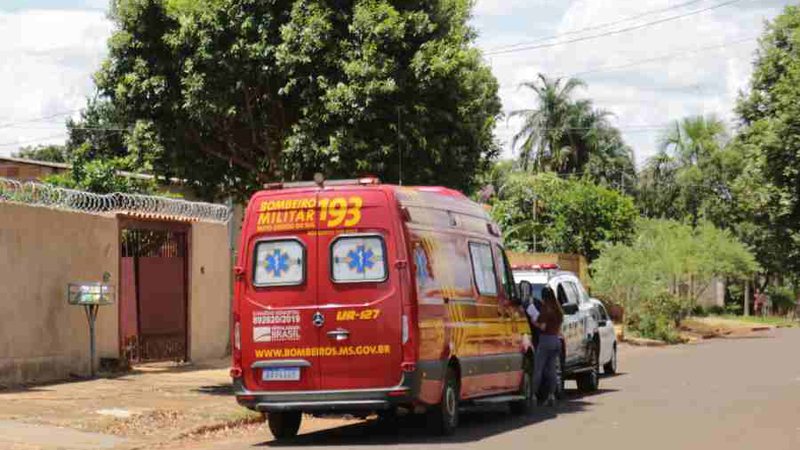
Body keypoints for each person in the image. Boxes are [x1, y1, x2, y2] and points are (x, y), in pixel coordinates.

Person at [530, 285, 564, 406]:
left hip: (545, 340)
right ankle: (551, 395)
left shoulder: (545, 309)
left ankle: (533, 395)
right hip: (556, 340)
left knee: (538, 369)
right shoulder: (558, 310)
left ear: (543, 296)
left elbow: (543, 327)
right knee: (552, 370)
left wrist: (534, 322)